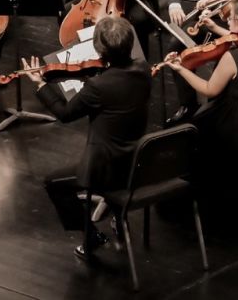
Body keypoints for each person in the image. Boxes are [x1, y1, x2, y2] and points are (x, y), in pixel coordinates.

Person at [22, 16, 150, 260]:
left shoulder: (98, 87)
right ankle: (117, 216)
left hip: (107, 169)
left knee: (53, 182)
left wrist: (40, 84)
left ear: (100, 50)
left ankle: (91, 236)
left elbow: (65, 113)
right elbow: (118, 83)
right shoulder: (144, 70)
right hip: (138, 160)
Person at [165, 0, 238, 158]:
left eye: (231, 18)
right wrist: (215, 28)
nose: (228, 22)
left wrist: (180, 68)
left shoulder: (233, 58)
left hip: (237, 128)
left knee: (193, 130)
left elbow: (209, 90)